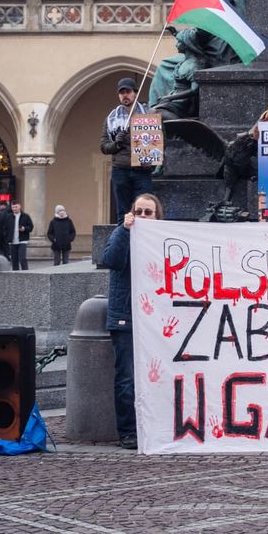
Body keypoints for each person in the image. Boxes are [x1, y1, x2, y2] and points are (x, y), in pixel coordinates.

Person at [103, 192, 163, 450]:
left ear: (157, 215)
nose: (143, 216)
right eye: (139, 211)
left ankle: (156, 425)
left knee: (159, 374)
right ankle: (128, 431)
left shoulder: (162, 238)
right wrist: (126, 231)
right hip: (125, 317)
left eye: (148, 212)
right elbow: (111, 260)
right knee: (126, 377)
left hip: (155, 319)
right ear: (131, 212)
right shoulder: (121, 233)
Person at [101, 78, 154, 224]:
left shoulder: (149, 115)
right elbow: (104, 147)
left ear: (135, 93)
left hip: (142, 170)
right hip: (120, 170)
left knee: (144, 212)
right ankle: (123, 244)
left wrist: (152, 163)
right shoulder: (111, 119)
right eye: (122, 92)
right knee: (123, 214)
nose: (125, 95)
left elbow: (160, 142)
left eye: (128, 92)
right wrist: (116, 144)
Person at [149, 28, 209, 118]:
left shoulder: (194, 65)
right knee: (152, 111)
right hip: (175, 98)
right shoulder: (184, 62)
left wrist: (170, 97)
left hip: (182, 103)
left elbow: (194, 90)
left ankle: (181, 125)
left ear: (187, 44)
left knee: (155, 112)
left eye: (179, 42)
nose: (176, 45)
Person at [2, 202, 34, 271]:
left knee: (22, 258)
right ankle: (15, 274)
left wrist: (24, 228)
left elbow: (31, 227)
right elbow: (4, 228)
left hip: (22, 240)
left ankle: (26, 273)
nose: (14, 209)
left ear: (20, 207)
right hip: (12, 241)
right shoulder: (9, 217)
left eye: (16, 207)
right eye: (13, 207)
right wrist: (6, 236)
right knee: (14, 259)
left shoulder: (25, 216)